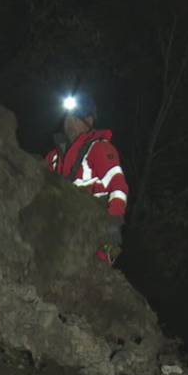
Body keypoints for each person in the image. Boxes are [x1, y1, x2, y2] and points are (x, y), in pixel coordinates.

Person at [45, 94, 129, 263]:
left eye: (76, 118)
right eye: (67, 117)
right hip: (56, 227)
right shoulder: (54, 157)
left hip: (88, 230)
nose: (69, 122)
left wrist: (111, 230)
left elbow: (118, 187)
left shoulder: (98, 149)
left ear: (89, 121)